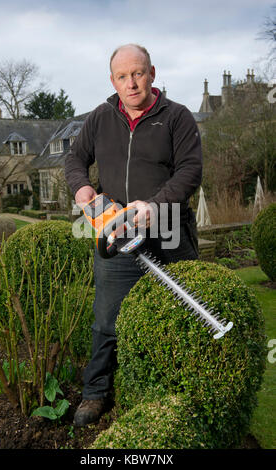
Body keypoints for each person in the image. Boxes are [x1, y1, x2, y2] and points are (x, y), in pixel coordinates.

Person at [65, 44, 202, 427]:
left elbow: (190, 171)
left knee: (179, 314)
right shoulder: (100, 118)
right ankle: (95, 393)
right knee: (107, 321)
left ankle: (181, 391)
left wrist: (154, 206)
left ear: (152, 73)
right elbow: (75, 159)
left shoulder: (177, 117)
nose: (131, 83)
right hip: (117, 234)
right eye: (122, 76)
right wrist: (81, 188)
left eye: (138, 73)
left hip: (170, 233)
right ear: (113, 81)